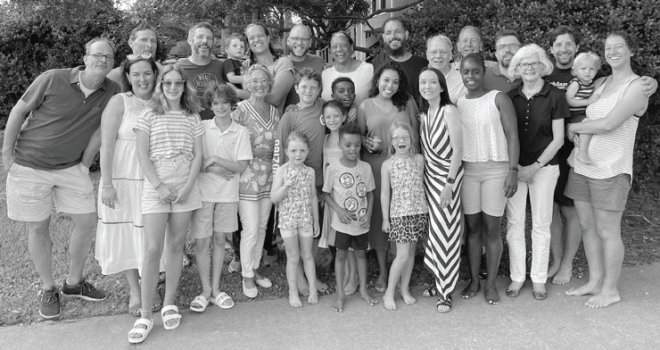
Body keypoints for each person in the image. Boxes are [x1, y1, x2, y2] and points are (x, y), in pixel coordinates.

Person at [3, 37, 119, 320]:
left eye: (109, 57)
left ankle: (74, 282)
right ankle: (48, 287)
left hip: (70, 168)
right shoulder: (53, 78)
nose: (103, 61)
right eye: (98, 55)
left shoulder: (111, 90)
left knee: (87, 221)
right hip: (30, 165)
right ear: (85, 57)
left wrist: (85, 163)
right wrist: (7, 155)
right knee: (39, 228)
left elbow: (100, 131)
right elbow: (19, 111)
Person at [564, 32, 649, 308]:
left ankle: (610, 289)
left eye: (619, 47)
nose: (612, 51)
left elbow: (608, 124)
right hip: (582, 165)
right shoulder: (602, 82)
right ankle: (595, 281)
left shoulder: (637, 87)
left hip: (611, 169)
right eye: (608, 48)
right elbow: (584, 103)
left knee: (607, 230)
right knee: (587, 226)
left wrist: (574, 127)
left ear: (631, 51)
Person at [128, 64, 204, 343]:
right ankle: (146, 314)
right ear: (160, 86)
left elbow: (198, 156)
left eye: (178, 83)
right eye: (167, 83)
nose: (173, 87)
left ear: (184, 86)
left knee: (175, 246)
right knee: (151, 249)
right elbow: (142, 154)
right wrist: (159, 186)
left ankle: (169, 302)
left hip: (185, 187)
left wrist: (186, 188)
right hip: (156, 188)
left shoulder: (192, 117)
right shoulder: (148, 114)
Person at [97, 55, 159, 317]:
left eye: (147, 73)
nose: (142, 79)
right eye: (136, 74)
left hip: (152, 179)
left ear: (155, 75)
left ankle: (151, 284)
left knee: (150, 234)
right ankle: (135, 289)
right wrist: (107, 183)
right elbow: (107, 144)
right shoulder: (119, 102)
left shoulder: (163, 102)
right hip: (122, 179)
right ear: (128, 78)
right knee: (125, 234)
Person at [505, 44, 568, 301]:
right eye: (523, 64)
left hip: (544, 169)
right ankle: (517, 277)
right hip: (516, 169)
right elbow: (506, 135)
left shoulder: (554, 96)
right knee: (514, 224)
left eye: (533, 63)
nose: (529, 68)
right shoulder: (510, 96)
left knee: (541, 225)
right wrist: (516, 167)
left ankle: (539, 279)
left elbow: (559, 139)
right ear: (517, 69)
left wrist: (536, 166)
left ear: (542, 66)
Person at [456, 53, 519, 305]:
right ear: (460, 74)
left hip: (496, 170)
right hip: (469, 172)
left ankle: (491, 284)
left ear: (484, 72)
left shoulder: (498, 98)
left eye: (475, 71)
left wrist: (513, 170)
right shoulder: (458, 103)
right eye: (465, 72)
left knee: (492, 230)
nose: (470, 76)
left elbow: (513, 136)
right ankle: (474, 280)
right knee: (472, 229)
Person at [189, 85, 251, 313]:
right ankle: (205, 290)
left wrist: (215, 159)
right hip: (204, 193)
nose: (220, 106)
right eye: (215, 103)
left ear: (231, 103)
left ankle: (216, 289)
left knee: (219, 240)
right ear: (210, 105)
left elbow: (241, 166)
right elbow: (194, 161)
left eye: (224, 102)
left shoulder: (241, 131)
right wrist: (214, 169)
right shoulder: (202, 127)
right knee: (202, 242)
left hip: (227, 194)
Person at [358, 62, 418, 293]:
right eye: (385, 80)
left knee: (402, 215)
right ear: (377, 81)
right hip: (376, 167)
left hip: (403, 170)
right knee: (381, 219)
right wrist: (367, 142)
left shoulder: (407, 103)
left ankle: (401, 266)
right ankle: (384, 271)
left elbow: (415, 135)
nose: (390, 86)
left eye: (395, 82)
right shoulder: (365, 106)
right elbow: (359, 137)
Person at [277, 67, 328, 295]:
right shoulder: (290, 115)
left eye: (313, 87)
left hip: (316, 179)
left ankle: (311, 275)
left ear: (319, 91)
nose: (308, 90)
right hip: (292, 185)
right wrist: (279, 183)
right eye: (304, 86)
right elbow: (280, 152)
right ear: (296, 89)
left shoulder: (323, 108)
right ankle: (300, 281)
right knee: (294, 235)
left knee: (311, 231)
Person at [232, 64, 280, 298]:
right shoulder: (240, 110)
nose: (259, 84)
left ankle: (256, 267)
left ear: (269, 84)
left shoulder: (274, 111)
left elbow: (279, 145)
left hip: (269, 175)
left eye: (264, 81)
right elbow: (230, 142)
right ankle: (246, 275)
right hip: (247, 176)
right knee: (250, 227)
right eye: (255, 81)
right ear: (247, 84)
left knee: (262, 226)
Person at [418, 67, 463, 313]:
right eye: (423, 82)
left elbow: (458, 151)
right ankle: (439, 281)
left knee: (446, 232)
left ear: (442, 86)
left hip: (448, 178)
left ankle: (446, 292)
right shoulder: (425, 114)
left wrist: (450, 183)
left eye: (432, 82)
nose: (427, 86)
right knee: (433, 233)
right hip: (429, 178)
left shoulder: (449, 110)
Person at [323, 123, 378, 312]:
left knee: (361, 254)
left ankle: (363, 289)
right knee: (341, 256)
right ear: (340, 145)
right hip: (341, 225)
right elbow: (326, 195)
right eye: (348, 145)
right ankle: (340, 295)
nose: (352, 149)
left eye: (356, 145)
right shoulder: (333, 168)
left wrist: (369, 215)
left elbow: (371, 194)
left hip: (361, 223)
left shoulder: (366, 167)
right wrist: (338, 210)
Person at [380, 121, 428, 311]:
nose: (401, 141)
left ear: (411, 139)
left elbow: (422, 184)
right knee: (401, 255)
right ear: (391, 141)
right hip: (400, 214)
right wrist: (385, 218)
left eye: (405, 137)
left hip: (419, 211)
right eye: (397, 138)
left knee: (410, 254)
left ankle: (404, 288)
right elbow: (385, 193)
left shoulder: (418, 159)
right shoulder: (388, 165)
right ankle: (389, 292)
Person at [271, 132, 320, 307]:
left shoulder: (310, 172)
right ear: (286, 151)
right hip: (288, 220)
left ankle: (312, 288)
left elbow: (313, 196)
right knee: (293, 257)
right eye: (293, 151)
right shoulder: (282, 171)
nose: (297, 154)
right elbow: (273, 198)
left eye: (301, 150)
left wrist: (316, 220)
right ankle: (293, 291)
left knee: (307, 255)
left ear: (307, 151)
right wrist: (285, 186)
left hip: (305, 218)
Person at [175, 22, 225, 120]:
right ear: (190, 40)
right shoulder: (179, 68)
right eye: (200, 37)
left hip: (218, 130)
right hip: (189, 128)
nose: (205, 41)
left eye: (209, 38)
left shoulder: (222, 67)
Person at [371, 17, 428, 102]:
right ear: (384, 37)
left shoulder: (423, 65)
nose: (393, 36)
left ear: (406, 34)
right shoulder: (375, 64)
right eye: (388, 33)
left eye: (398, 32)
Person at [243, 22, 295, 114]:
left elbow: (275, 99)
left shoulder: (282, 63)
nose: (256, 40)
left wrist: (237, 92)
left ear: (268, 38)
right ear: (248, 43)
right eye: (251, 38)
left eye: (260, 35)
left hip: (271, 125)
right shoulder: (247, 67)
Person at [565, 52, 601, 164]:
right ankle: (582, 153)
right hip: (573, 115)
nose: (587, 72)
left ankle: (573, 156)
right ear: (575, 71)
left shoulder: (591, 83)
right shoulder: (576, 83)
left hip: (581, 114)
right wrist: (588, 101)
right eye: (583, 68)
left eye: (592, 69)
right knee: (588, 125)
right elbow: (568, 100)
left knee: (589, 128)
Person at [321, 31, 374, 105]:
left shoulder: (369, 69)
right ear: (330, 50)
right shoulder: (325, 74)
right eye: (334, 46)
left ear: (351, 48)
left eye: (343, 45)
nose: (339, 49)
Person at [284, 24, 326, 107]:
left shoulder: (319, 62)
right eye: (295, 38)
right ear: (288, 41)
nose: (299, 43)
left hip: (317, 116)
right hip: (291, 117)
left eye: (304, 39)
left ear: (310, 42)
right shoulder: (281, 65)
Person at [426, 34, 467, 103]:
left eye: (443, 52)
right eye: (433, 52)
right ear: (427, 55)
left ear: (450, 55)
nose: (438, 56)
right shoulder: (422, 80)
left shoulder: (462, 82)